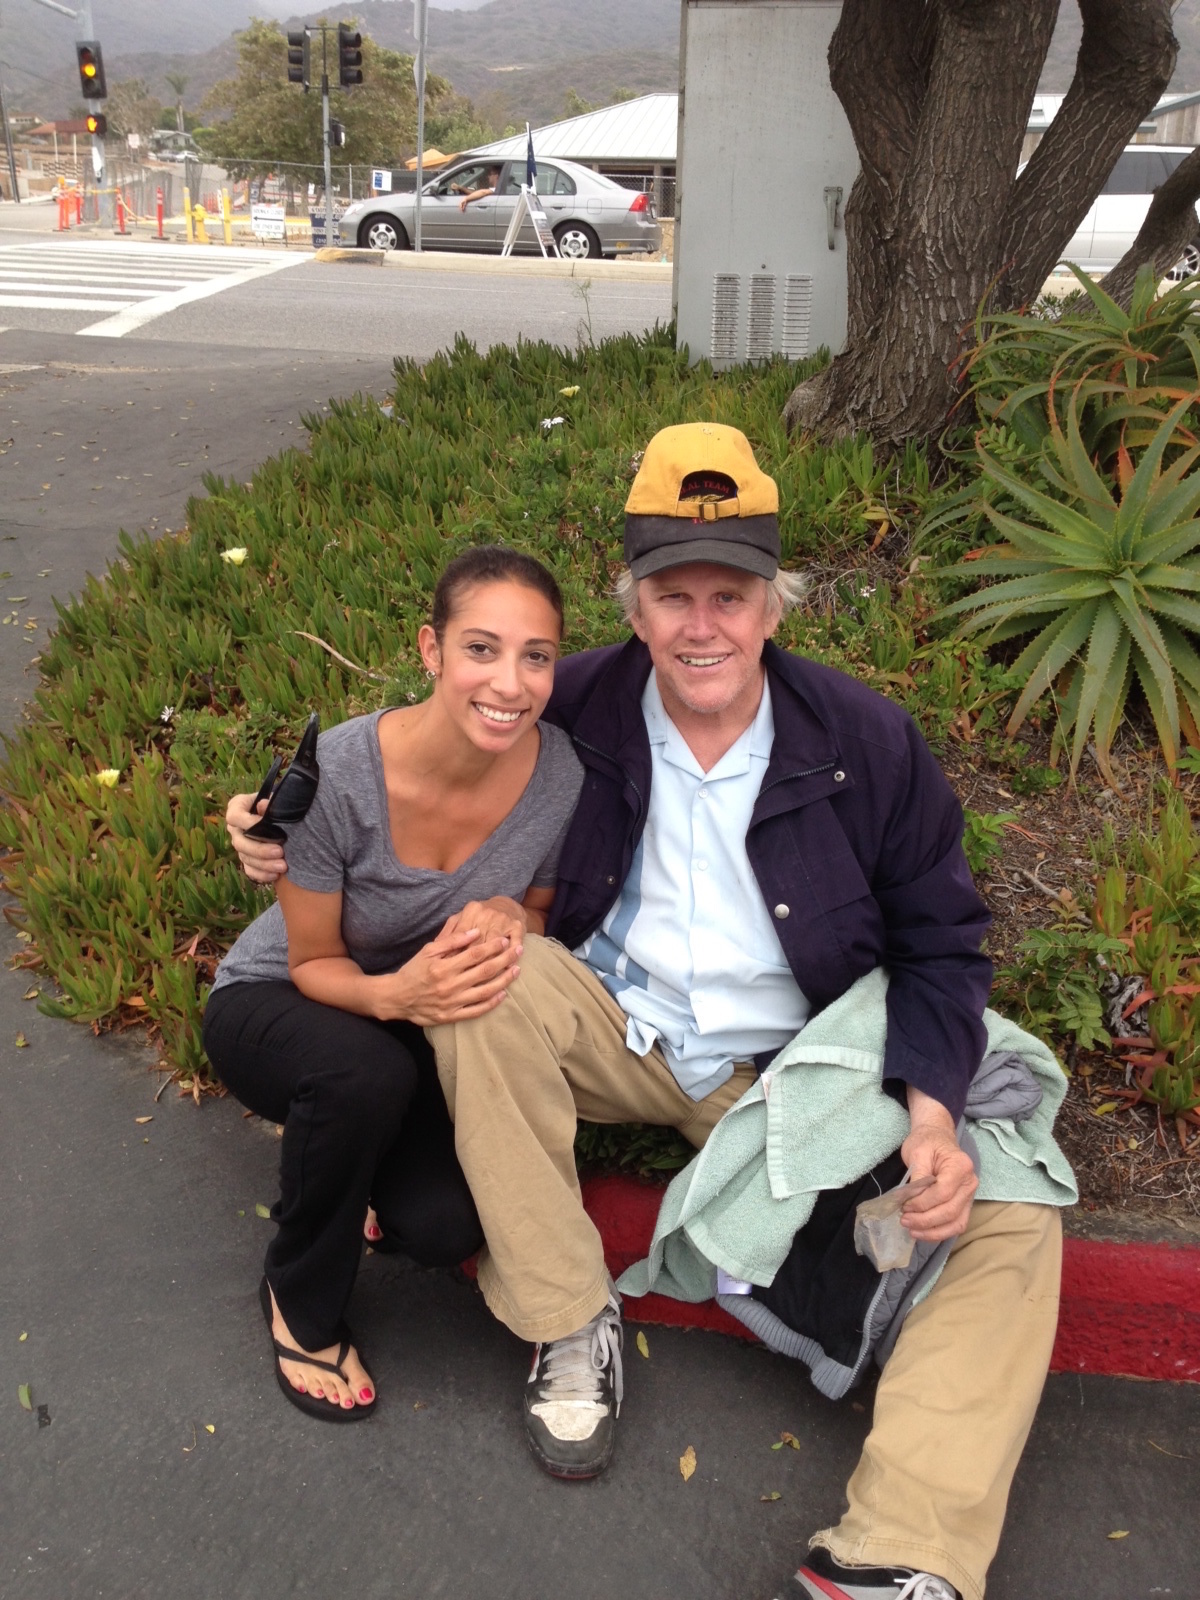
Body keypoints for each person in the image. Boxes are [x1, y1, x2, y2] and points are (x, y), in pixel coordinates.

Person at [227, 425, 1062, 1600]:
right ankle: (570, 1321)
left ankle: (902, 1552)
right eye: (674, 594)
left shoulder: (866, 743)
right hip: (614, 1025)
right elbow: (415, 740)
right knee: (485, 963)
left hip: (789, 1061)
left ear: (776, 606)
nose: (702, 624)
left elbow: (941, 941)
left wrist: (930, 1114)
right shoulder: (577, 702)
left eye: (732, 594)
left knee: (1013, 1209)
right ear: (635, 605)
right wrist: (272, 823)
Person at [206, 545, 582, 1422]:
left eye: (537, 656)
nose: (510, 682)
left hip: (414, 1028)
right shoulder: (339, 776)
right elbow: (311, 963)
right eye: (481, 649)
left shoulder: (559, 776)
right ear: (430, 650)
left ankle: (353, 1161)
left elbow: (533, 913)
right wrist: (397, 998)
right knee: (361, 1074)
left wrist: (503, 915)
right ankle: (299, 1298)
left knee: (445, 1228)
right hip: (289, 1001)